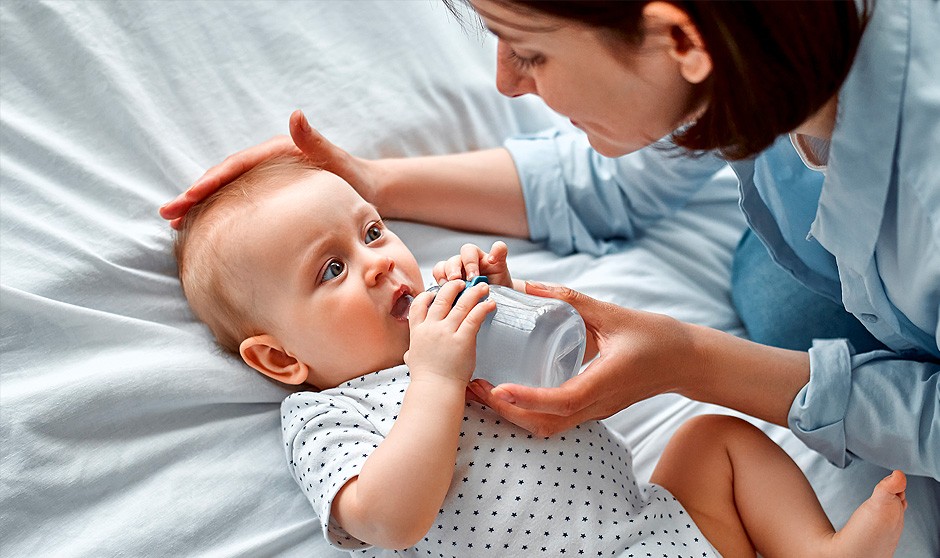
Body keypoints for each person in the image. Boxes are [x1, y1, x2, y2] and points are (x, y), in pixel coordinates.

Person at [161, 0, 940, 481]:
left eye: (528, 51)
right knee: (773, 291)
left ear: (680, 39)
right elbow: (610, 178)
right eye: (337, 262)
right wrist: (371, 184)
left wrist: (690, 361)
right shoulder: (746, 52)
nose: (505, 82)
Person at [173, 154, 907, 557]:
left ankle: (814, 552)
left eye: (371, 233)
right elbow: (388, 521)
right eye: (331, 269)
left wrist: (510, 307)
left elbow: (576, 378)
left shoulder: (462, 326)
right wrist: (435, 378)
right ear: (280, 360)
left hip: (665, 533)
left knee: (714, 440)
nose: (377, 264)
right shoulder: (326, 416)